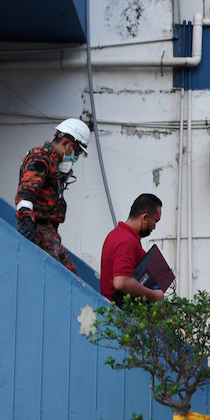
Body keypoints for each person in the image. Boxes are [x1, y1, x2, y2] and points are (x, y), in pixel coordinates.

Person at [15, 118, 91, 275]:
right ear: (65, 144)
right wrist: (27, 221)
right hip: (39, 230)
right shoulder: (41, 159)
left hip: (50, 232)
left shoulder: (53, 163)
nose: (76, 157)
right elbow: (25, 194)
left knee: (74, 279)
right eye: (76, 151)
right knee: (61, 279)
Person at [100, 193, 164, 304]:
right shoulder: (126, 240)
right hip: (119, 313)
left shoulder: (117, 234)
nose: (154, 226)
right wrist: (153, 295)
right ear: (144, 218)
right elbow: (121, 281)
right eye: (155, 221)